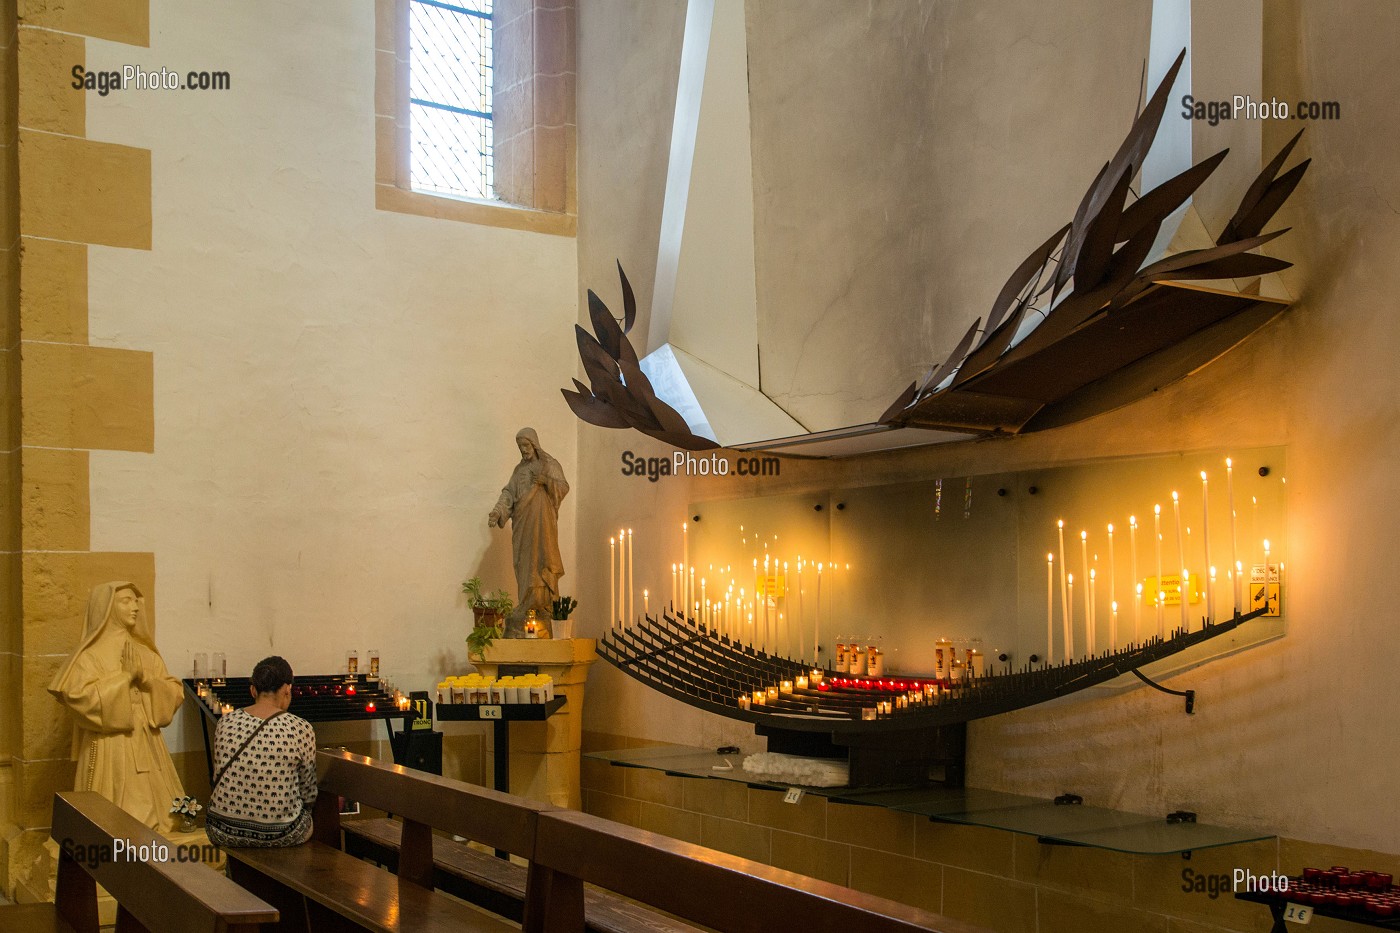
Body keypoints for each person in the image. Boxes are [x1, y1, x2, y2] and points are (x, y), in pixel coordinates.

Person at [48, 582, 186, 833]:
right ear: (107, 608)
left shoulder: (146, 654)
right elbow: (79, 697)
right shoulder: (88, 658)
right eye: (126, 601)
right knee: (114, 822)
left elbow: (175, 693)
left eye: (136, 601)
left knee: (164, 820)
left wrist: (147, 680)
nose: (134, 607)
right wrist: (124, 678)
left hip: (147, 744)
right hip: (110, 749)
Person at [204, 656, 316, 847]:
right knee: (309, 818)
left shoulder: (226, 722)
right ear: (287, 690)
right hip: (281, 834)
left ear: (253, 690)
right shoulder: (300, 727)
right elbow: (308, 793)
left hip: (220, 829)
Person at [488, 427, 570, 636]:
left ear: (534, 444)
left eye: (526, 445)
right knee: (524, 563)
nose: (523, 450)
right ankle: (525, 604)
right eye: (520, 447)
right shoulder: (519, 471)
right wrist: (498, 512)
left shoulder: (548, 465)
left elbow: (563, 487)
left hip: (543, 524)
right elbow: (508, 493)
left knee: (542, 561)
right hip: (523, 525)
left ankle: (542, 607)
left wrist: (546, 481)